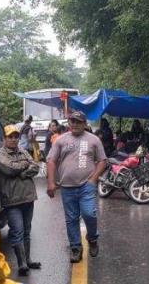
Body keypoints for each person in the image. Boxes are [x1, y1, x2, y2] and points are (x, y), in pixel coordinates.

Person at [46, 111, 107, 263]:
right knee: (71, 219)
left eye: (78, 122)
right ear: (68, 123)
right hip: (67, 186)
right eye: (72, 121)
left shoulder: (93, 140)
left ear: (85, 124)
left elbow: (102, 161)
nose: (75, 124)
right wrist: (51, 183)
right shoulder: (60, 140)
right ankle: (75, 248)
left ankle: (92, 238)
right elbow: (51, 161)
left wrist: (93, 179)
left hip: (87, 185)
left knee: (89, 214)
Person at [0, 125, 42, 276]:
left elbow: (36, 166)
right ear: (4, 139)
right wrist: (25, 166)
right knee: (17, 231)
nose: (14, 139)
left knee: (27, 231)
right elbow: (9, 169)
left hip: (28, 197)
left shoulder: (23, 151)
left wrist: (22, 171)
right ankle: (21, 263)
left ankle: (27, 260)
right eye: (10, 137)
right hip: (12, 199)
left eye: (16, 137)